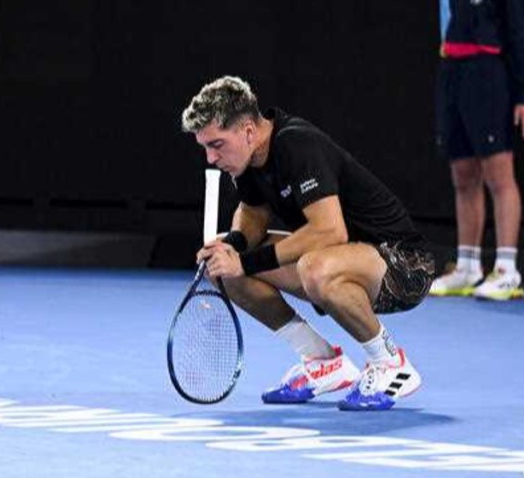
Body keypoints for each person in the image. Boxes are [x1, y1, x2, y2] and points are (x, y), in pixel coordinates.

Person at [182, 76, 435, 411]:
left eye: (216, 145)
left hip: (403, 266)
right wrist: (234, 246)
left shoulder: (298, 146)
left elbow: (330, 233)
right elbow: (253, 214)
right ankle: (321, 361)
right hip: (345, 259)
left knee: (312, 267)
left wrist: (245, 262)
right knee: (225, 266)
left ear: (246, 131)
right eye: (205, 147)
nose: (210, 158)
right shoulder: (246, 160)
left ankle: (390, 363)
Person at [430, 0, 524, 301]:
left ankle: (507, 268)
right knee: (463, 175)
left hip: (489, 77)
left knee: (498, 174)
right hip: (453, 77)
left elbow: (522, 37)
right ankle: (468, 265)